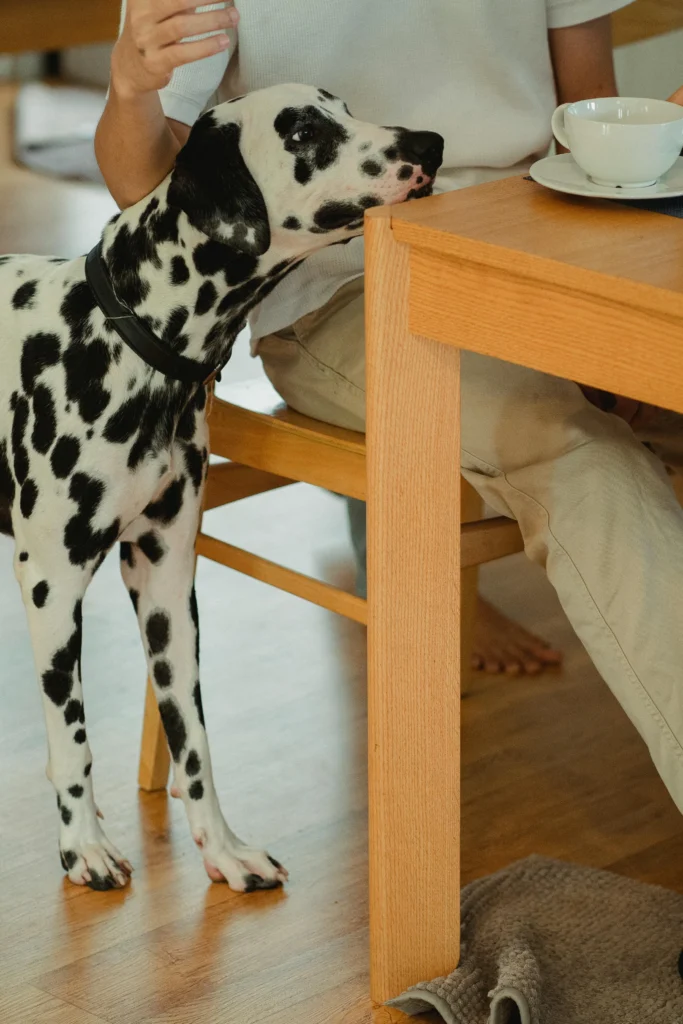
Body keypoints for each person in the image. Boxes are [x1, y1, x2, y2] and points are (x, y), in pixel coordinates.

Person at [96, 2, 683, 816]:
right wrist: (128, 89)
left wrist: (597, 314)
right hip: (343, 285)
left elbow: (586, 124)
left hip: (533, 248)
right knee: (582, 453)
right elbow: (141, 186)